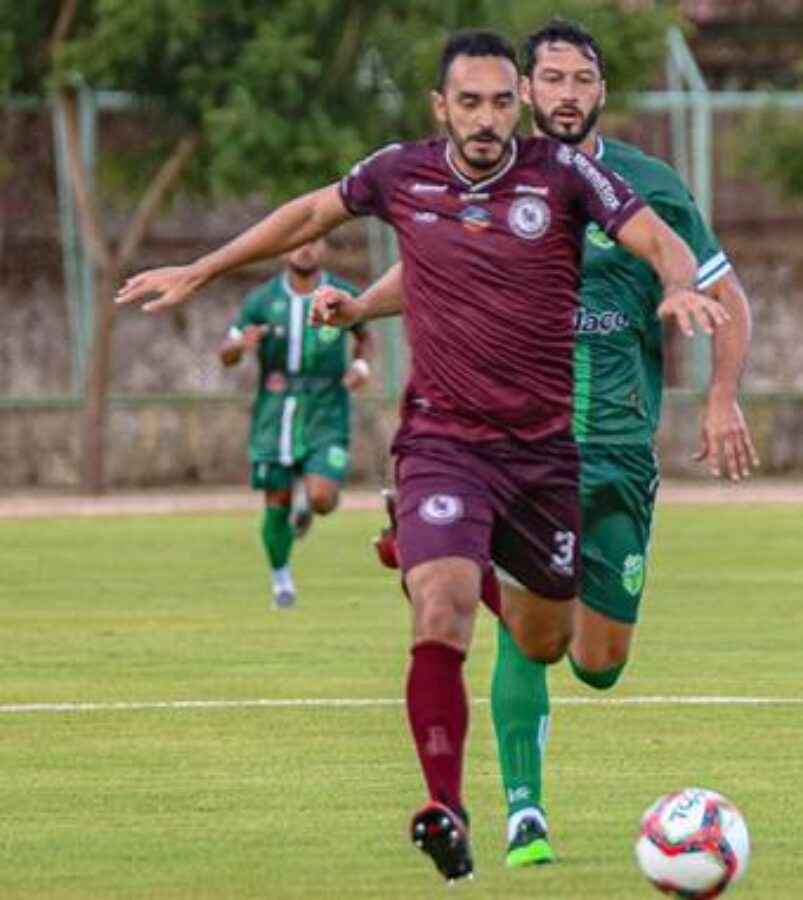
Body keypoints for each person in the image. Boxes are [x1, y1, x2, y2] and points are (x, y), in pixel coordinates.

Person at [116, 30, 728, 885]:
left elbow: (653, 233)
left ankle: (475, 564)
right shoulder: (400, 173)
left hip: (546, 454)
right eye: (467, 102)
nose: (485, 119)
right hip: (444, 441)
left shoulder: (562, 176)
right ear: (441, 106)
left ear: (518, 104)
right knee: (438, 611)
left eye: (500, 102)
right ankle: (447, 806)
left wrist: (673, 280)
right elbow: (308, 213)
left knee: (560, 647)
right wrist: (204, 267)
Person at [312, 19, 758, 870]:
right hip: (515, 445)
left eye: (580, 79)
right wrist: (360, 307)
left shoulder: (648, 186)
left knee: (597, 663)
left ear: (599, 92)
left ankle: (455, 554)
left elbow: (721, 290)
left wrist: (723, 397)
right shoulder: (494, 175)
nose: (565, 94)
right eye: (548, 79)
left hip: (622, 448)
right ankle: (524, 817)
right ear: (525, 91)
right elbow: (434, 263)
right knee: (522, 635)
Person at [218, 237, 371, 610]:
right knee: (276, 501)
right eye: (297, 242)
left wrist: (360, 365)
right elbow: (226, 354)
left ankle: (310, 504)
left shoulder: (342, 293)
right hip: (275, 408)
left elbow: (364, 333)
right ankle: (281, 581)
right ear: (285, 248)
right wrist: (239, 348)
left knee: (323, 498)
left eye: (313, 242)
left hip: (327, 405)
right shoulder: (262, 301)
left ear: (324, 248)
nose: (305, 249)